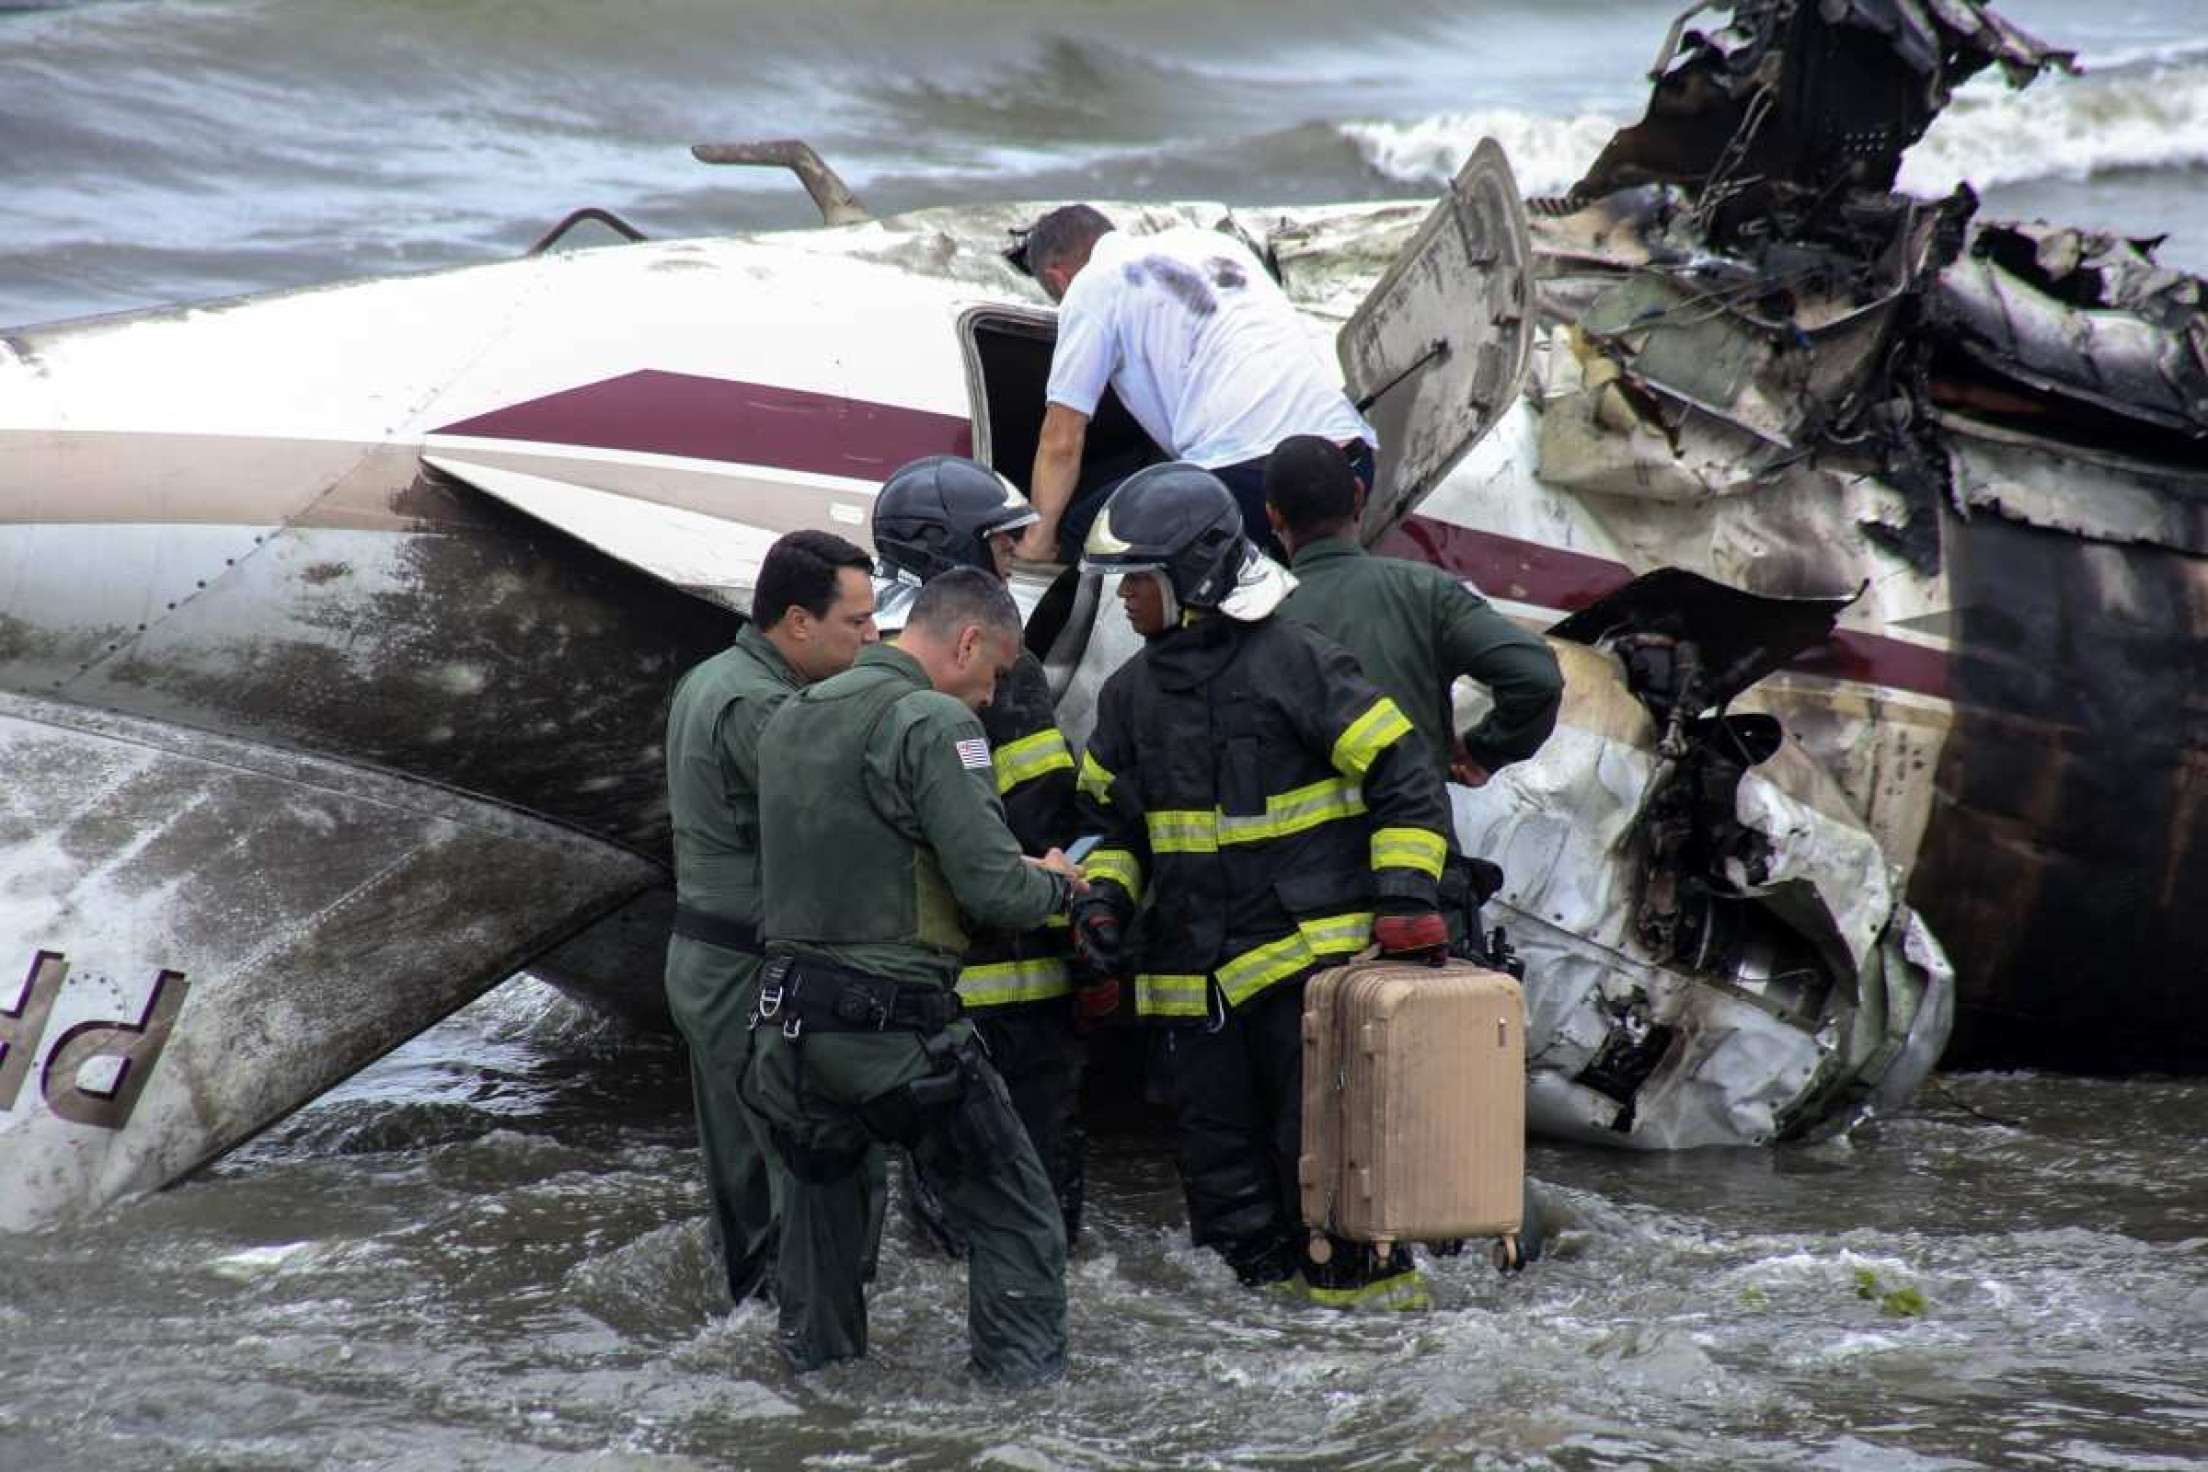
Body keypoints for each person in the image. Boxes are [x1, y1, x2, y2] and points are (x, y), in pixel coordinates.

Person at [1070, 463, 1454, 1309]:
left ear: (1195, 575)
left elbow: (1405, 775)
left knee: (1327, 1179)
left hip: (1301, 980)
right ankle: (1262, 1349)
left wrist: (1404, 901)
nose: (1125, 599)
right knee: (1224, 1197)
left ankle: (1375, 1355)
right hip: (1192, 994)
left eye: (1137, 579)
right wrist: (1102, 899)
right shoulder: (1130, 697)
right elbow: (1115, 826)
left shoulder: (1298, 662)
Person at [748, 566, 1085, 1385]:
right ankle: (1021, 1413)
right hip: (895, 1034)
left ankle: (812, 1403)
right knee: (1019, 1216)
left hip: (787, 1034)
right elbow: (993, 889)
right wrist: (1059, 884)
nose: (994, 697)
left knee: (821, 1234)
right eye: (997, 673)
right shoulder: (934, 721)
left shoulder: (791, 711)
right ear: (967, 641)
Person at [872, 455, 1101, 1248]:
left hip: (909, 989)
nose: (1014, 561)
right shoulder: (1007, 666)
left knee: (938, 1200)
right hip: (1016, 993)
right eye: (1001, 547)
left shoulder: (861, 654)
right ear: (954, 552)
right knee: (1031, 1208)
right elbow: (1042, 816)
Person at [662, 528, 879, 1306]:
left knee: (743, 1177)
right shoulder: (765, 706)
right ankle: (814, 1359)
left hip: (708, 961)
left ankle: (755, 1335)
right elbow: (844, 829)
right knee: (814, 1169)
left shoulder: (708, 679)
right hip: (751, 972)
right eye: (856, 623)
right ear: (797, 622)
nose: (872, 636)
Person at [1013, 203, 1375, 565]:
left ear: (1058, 277)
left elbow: (1061, 440)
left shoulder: (1092, 283)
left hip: (1250, 471)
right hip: (1348, 460)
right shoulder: (1216, 244)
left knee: (1083, 531)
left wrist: (1036, 543)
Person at [1266, 434, 1563, 788]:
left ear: (1274, 516)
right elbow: (1537, 676)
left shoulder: (1254, 620)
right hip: (1419, 833)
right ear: (1359, 494)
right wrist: (1484, 752)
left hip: (1304, 841)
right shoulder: (1425, 592)